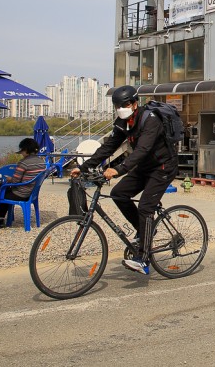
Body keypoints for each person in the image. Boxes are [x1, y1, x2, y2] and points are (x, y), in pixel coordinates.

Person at [69, 85, 178, 275]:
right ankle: (145, 230)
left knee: (145, 207)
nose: (121, 108)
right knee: (118, 194)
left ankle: (143, 260)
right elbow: (108, 147)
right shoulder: (122, 122)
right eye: (117, 106)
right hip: (144, 167)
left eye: (125, 104)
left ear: (135, 103)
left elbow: (142, 150)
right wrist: (84, 166)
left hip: (163, 167)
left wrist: (118, 169)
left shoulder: (150, 120)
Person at [0, 138, 47, 227]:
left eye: (22, 151)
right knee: (4, 190)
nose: (21, 154)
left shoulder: (24, 163)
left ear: (26, 150)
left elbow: (15, 181)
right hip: (32, 193)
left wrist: (8, 179)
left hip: (21, 193)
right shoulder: (42, 162)